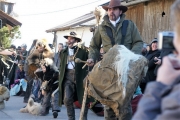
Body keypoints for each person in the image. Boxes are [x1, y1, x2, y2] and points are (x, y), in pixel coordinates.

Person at [87, 0, 143, 119]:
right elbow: (94, 46)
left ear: (120, 11)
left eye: (114, 9)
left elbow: (138, 42)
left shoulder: (130, 25)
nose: (111, 12)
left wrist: (131, 57)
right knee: (108, 103)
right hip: (108, 70)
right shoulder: (101, 28)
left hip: (126, 70)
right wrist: (92, 57)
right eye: (109, 9)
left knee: (125, 104)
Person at [132, 0, 180, 119]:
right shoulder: (149, 53)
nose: (154, 45)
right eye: (153, 43)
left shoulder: (158, 53)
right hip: (146, 79)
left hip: (154, 80)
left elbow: (145, 116)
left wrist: (160, 85)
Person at [58, 31, 89, 120]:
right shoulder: (63, 52)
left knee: (84, 100)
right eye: (68, 38)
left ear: (76, 40)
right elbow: (62, 65)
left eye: (71, 38)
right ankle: (71, 118)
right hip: (68, 77)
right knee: (67, 99)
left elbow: (90, 61)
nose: (69, 40)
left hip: (81, 77)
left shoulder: (84, 50)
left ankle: (83, 118)